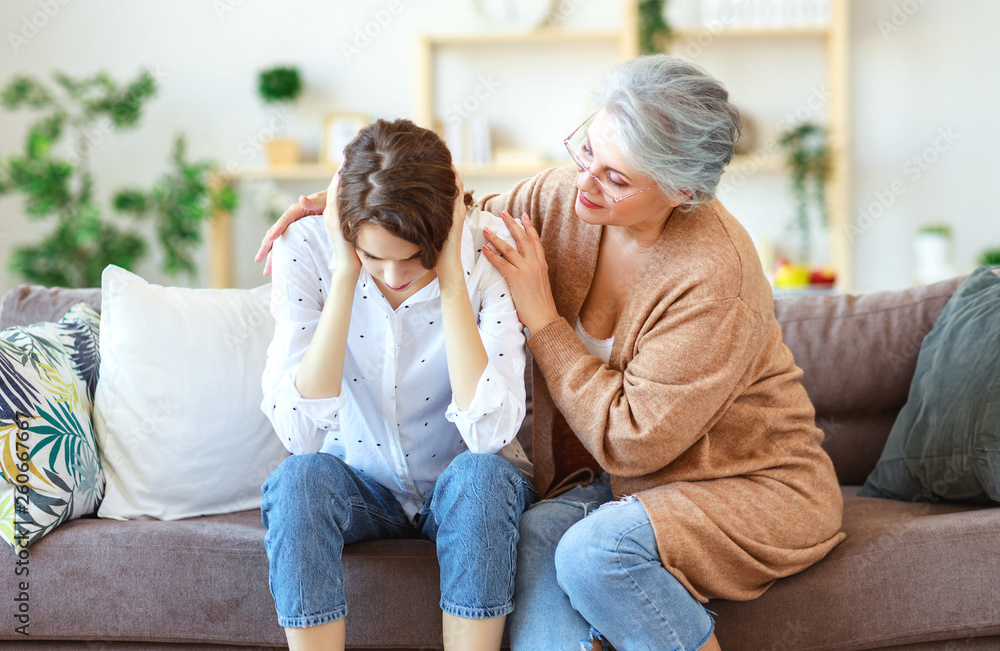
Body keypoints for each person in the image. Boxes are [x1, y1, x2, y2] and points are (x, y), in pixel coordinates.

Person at [256, 55, 846, 651]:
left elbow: (633, 441)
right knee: (539, 534)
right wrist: (341, 205)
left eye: (617, 178)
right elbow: (452, 214)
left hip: (739, 483)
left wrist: (543, 319)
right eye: (587, 151)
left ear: (680, 191)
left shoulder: (715, 273)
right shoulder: (563, 199)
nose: (585, 182)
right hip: (603, 489)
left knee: (596, 552)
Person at [258, 118, 537, 651]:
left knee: (482, 476)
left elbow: (489, 435)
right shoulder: (308, 247)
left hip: (464, 484)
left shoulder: (487, 252)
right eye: (371, 256)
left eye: (413, 258)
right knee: (298, 479)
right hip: (364, 485)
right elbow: (299, 435)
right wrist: (345, 275)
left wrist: (452, 280)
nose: (391, 275)